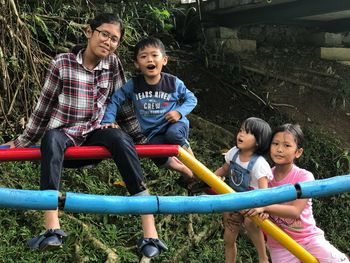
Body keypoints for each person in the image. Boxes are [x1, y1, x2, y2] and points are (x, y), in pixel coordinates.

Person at [1, 13, 167, 258]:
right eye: (104, 34)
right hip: (64, 138)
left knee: (120, 138)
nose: (108, 42)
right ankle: (52, 230)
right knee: (51, 138)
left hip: (95, 134)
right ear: (89, 32)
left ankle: (150, 232)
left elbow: (123, 108)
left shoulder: (113, 65)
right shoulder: (62, 63)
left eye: (114, 39)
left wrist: (144, 142)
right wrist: (21, 141)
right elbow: (44, 108)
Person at [101, 36, 200, 191]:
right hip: (153, 133)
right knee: (155, 153)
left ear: (164, 60)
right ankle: (186, 173)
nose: (149, 59)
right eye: (143, 56)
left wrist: (179, 113)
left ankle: (198, 170)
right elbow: (115, 99)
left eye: (154, 55)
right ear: (136, 64)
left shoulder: (173, 82)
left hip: (174, 125)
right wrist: (108, 119)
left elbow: (191, 99)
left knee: (173, 135)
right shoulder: (134, 85)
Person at [242, 123, 350, 263]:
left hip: (308, 239)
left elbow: (295, 211)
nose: (279, 149)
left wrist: (265, 207)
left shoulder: (304, 177)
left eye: (287, 146)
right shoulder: (263, 176)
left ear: (298, 152)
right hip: (280, 245)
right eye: (275, 144)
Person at [214, 117, 272, 263]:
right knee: (228, 239)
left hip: (251, 203)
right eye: (240, 130)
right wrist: (210, 177)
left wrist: (262, 208)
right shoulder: (233, 152)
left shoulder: (259, 164)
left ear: (258, 141)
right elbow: (225, 169)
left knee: (250, 223)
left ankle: (263, 257)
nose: (241, 135)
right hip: (232, 200)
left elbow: (264, 191)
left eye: (247, 133)